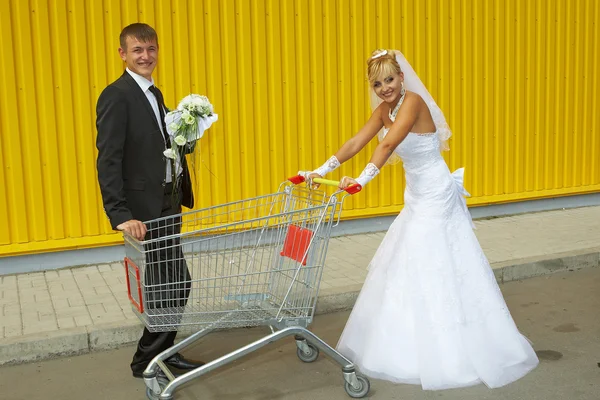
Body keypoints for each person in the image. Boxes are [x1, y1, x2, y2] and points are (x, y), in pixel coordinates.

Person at [306, 49, 538, 390]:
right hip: (414, 195)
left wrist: (361, 181)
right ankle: (408, 340)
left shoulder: (413, 102)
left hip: (436, 193)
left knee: (430, 258)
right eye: (377, 83)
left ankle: (450, 344)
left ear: (401, 77)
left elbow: (388, 146)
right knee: (409, 260)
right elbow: (357, 141)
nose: (384, 87)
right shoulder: (383, 110)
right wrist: (320, 170)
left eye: (389, 79)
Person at [96, 23, 203, 378]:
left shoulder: (154, 94)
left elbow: (161, 145)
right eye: (138, 50)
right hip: (144, 209)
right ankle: (146, 360)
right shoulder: (117, 95)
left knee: (175, 281)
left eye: (151, 49)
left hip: (167, 202)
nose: (146, 56)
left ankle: (163, 352)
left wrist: (189, 134)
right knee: (166, 283)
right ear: (123, 54)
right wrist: (120, 213)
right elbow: (108, 158)